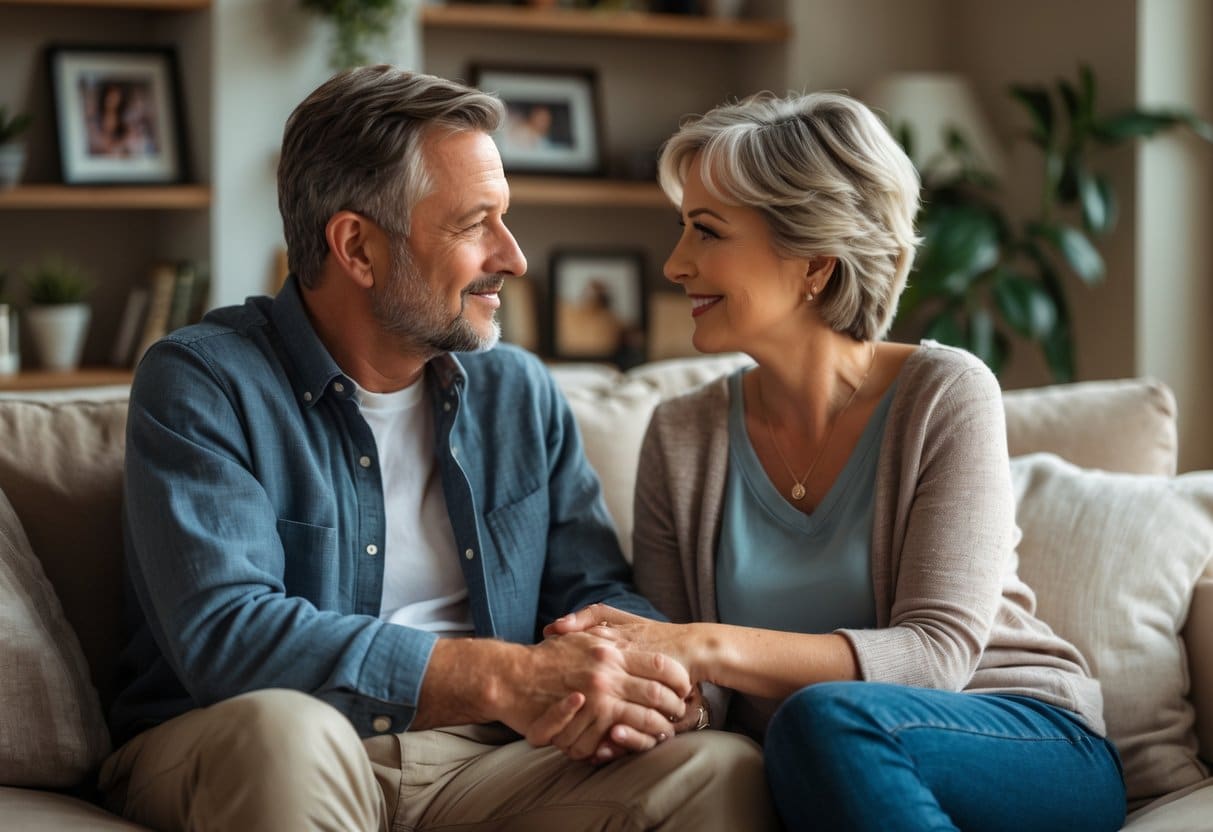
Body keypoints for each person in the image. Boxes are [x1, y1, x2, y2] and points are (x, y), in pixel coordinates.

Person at [99, 66, 775, 832]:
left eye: (506, 218)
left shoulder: (517, 391)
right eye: (474, 223)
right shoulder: (204, 380)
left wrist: (652, 682)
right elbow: (228, 637)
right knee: (288, 733)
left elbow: (590, 591)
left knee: (715, 769)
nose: (513, 257)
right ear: (357, 247)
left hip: (483, 764)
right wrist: (503, 677)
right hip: (246, 744)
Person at [545, 91, 1127, 831]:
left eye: (705, 232)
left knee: (823, 721)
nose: (674, 264)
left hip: (1016, 740)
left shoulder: (944, 394)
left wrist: (697, 645)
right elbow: (702, 684)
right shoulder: (680, 434)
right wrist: (654, 693)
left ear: (812, 262)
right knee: (807, 732)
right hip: (822, 766)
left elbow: (935, 655)